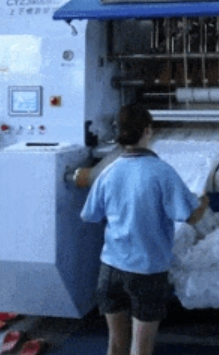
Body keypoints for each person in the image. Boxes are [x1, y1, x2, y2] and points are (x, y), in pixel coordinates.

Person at [81, 103, 209, 355]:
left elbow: (90, 215)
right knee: (141, 347)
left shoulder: (108, 172)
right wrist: (203, 201)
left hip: (111, 269)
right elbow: (191, 217)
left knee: (116, 344)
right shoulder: (162, 172)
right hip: (147, 272)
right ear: (148, 130)